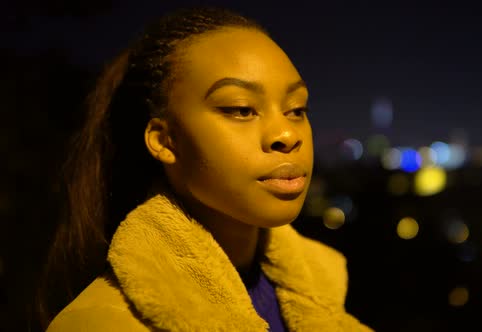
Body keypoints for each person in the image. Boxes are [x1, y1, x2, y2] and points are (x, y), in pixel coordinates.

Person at [39, 5, 373, 332]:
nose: (287, 134)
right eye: (241, 109)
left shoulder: (319, 294)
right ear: (165, 140)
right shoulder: (99, 322)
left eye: (296, 109)